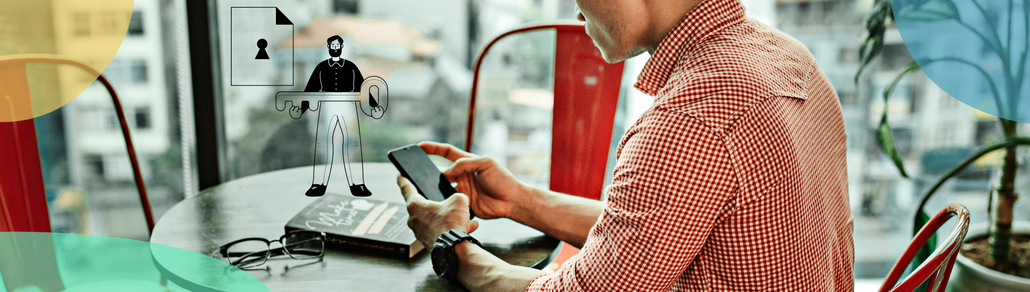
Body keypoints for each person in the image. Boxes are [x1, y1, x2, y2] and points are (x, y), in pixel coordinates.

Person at [398, 0, 854, 291]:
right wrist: (524, 201)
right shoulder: (787, 54)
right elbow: (659, 236)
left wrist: (452, 245)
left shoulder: (689, 120)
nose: (576, 12)